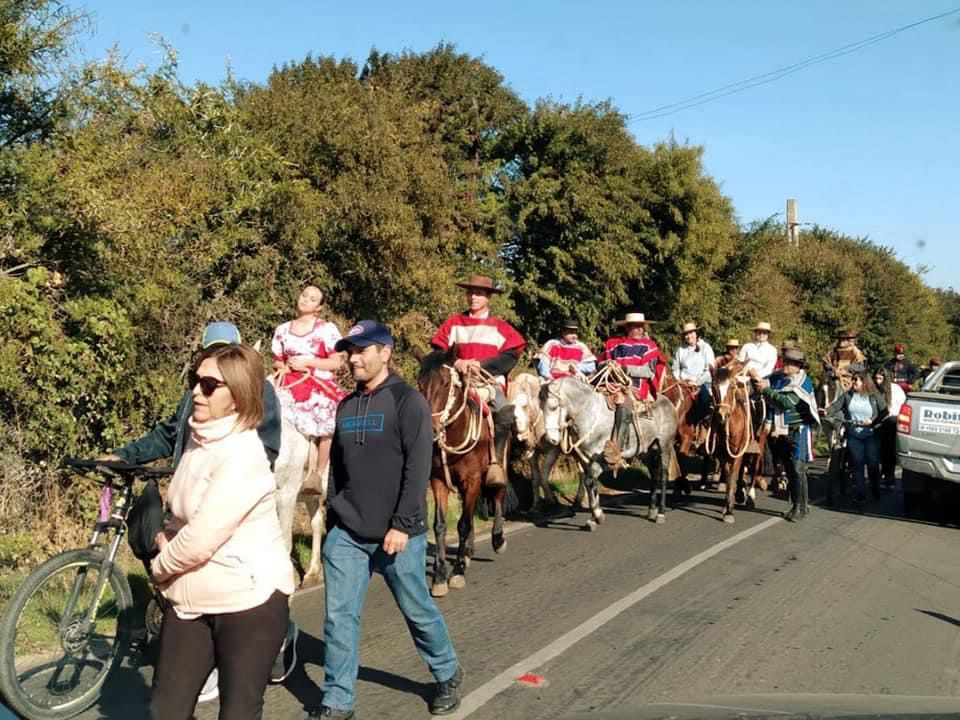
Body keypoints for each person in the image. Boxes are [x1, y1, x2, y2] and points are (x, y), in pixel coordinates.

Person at [101, 322, 293, 700]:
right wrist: (125, 455)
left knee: (240, 702)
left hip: (241, 562)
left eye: (222, 352)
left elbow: (266, 444)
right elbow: (169, 433)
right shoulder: (198, 400)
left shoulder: (255, 402)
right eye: (202, 362)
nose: (202, 381)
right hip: (197, 569)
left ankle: (282, 635)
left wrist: (231, 484)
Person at [310, 321, 462, 720]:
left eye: (361, 350)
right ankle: (338, 701)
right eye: (350, 351)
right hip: (348, 534)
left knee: (417, 610)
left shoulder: (407, 401)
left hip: (399, 535)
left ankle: (446, 673)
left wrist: (402, 523)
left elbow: (418, 467)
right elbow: (338, 469)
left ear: (385, 352)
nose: (353, 358)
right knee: (339, 619)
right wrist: (333, 518)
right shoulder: (346, 405)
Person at [149, 343, 296, 720]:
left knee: (238, 712)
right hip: (191, 599)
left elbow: (200, 538)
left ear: (238, 397)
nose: (196, 391)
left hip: (250, 601)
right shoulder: (199, 443)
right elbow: (182, 518)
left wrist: (160, 566)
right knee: (166, 709)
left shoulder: (244, 454)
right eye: (194, 381)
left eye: (210, 385)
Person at [430, 274, 526, 487]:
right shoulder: (453, 323)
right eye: (470, 293)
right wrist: (458, 363)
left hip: (486, 381)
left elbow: (512, 355)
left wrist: (481, 366)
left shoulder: (500, 327)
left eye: (479, 294)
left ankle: (496, 461)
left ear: (488, 298)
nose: (473, 297)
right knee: (431, 406)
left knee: (504, 411)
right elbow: (438, 352)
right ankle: (432, 461)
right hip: (457, 380)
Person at [272, 285, 345, 483]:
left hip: (317, 381)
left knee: (327, 418)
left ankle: (317, 474)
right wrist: (285, 367)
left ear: (318, 307)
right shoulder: (282, 330)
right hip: (288, 379)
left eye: (312, 299)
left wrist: (308, 363)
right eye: (304, 295)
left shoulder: (326, 330)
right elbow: (277, 359)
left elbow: (336, 362)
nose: (305, 300)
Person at [750, 348, 820, 521]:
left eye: (788, 363)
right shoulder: (778, 377)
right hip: (782, 430)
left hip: (800, 429)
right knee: (790, 469)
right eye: (784, 362)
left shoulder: (804, 381)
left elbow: (787, 402)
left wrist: (766, 390)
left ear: (798, 366)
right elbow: (762, 383)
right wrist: (755, 378)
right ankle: (800, 504)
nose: (784, 365)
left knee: (798, 468)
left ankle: (800, 507)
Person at [598, 312, 663, 456]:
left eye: (642, 326)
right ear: (628, 328)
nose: (641, 329)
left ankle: (617, 449)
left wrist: (625, 367)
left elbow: (649, 371)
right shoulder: (613, 344)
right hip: (611, 385)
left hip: (634, 388)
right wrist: (608, 364)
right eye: (636, 326)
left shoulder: (649, 346)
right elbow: (599, 364)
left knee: (623, 406)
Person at [825, 370, 888, 504]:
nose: (853, 382)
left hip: (871, 434)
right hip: (854, 435)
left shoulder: (874, 395)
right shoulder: (848, 395)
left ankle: (874, 486)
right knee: (858, 463)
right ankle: (860, 492)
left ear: (864, 382)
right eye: (853, 380)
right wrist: (826, 410)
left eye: (856, 380)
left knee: (872, 463)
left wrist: (873, 421)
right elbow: (836, 406)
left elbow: (884, 411)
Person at [671, 321, 715, 419]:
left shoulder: (705, 347)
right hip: (683, 384)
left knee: (705, 400)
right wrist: (680, 381)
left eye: (691, 333)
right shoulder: (680, 350)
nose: (689, 336)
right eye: (686, 334)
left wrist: (697, 382)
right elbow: (675, 369)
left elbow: (709, 370)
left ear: (696, 334)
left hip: (702, 383)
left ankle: (705, 422)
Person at [873, 366, 905, 488]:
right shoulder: (873, 389)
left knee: (888, 450)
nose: (877, 381)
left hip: (891, 421)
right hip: (876, 421)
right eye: (876, 378)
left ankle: (889, 477)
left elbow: (901, 405)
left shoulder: (895, 389)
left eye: (880, 379)